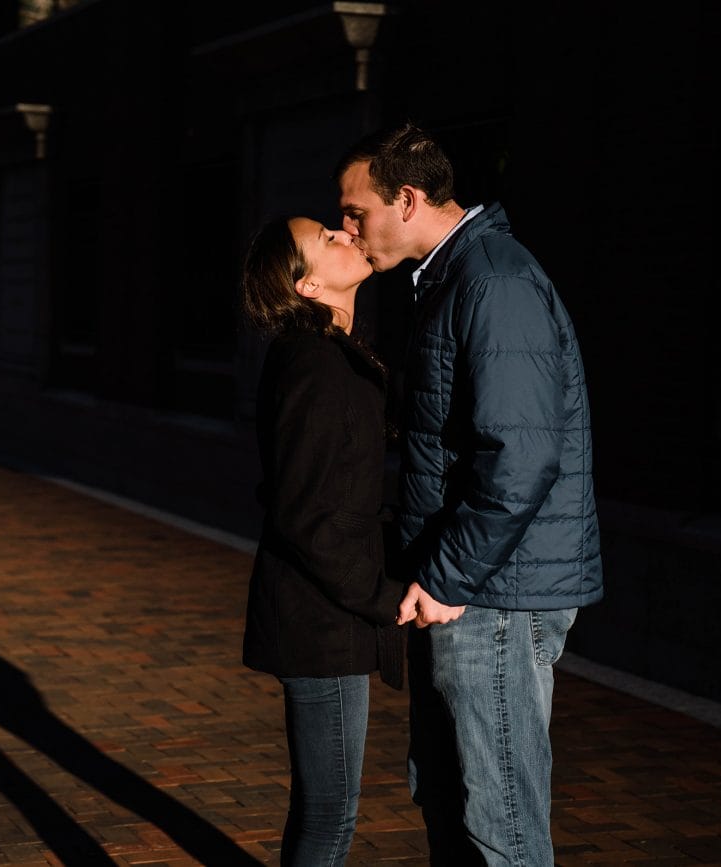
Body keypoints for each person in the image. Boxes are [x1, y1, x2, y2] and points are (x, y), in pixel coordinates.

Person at [336, 123, 603, 865]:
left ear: (409, 198)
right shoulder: (455, 279)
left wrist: (448, 575)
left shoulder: (494, 280)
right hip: (467, 586)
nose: (347, 228)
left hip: (489, 595)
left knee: (499, 822)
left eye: (358, 211)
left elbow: (520, 457)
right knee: (449, 798)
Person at [240, 215, 407, 866]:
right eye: (327, 241)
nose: (346, 235)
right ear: (306, 285)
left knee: (325, 811)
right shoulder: (314, 364)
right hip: (323, 620)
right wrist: (383, 595)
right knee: (330, 817)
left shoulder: (328, 353)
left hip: (323, 612)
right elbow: (305, 513)